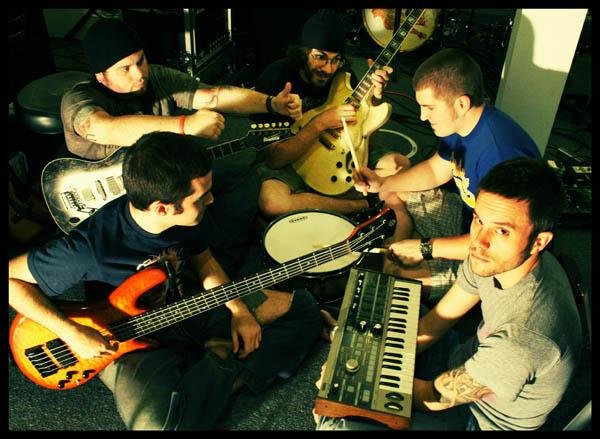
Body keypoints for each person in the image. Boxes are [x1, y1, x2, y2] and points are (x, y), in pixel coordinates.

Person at [8, 131, 323, 430]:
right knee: (160, 426)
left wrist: (238, 310)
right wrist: (72, 332)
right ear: (162, 208)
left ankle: (205, 377)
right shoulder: (89, 248)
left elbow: (205, 261)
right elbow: (11, 279)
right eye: (201, 197)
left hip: (183, 306)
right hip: (125, 338)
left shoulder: (186, 219)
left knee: (305, 311)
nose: (211, 200)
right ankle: (219, 357)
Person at [316, 157, 582, 430]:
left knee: (337, 422)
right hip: (463, 358)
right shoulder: (495, 260)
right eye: (479, 220)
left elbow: (431, 397)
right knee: (382, 307)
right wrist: (362, 345)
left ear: (539, 241)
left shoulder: (524, 339)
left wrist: (351, 375)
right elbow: (436, 322)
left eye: (502, 231)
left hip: (478, 419)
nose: (478, 242)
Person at [59, 18, 302, 281]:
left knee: (240, 177)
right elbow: (104, 128)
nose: (139, 73)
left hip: (160, 186)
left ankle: (220, 263)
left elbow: (214, 95)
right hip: (109, 204)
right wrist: (185, 125)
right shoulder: (78, 99)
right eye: (125, 68)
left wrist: (270, 103)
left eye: (140, 61)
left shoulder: (156, 78)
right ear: (100, 76)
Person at [354, 48, 541, 306]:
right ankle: (405, 228)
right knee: (391, 179)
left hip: (493, 253)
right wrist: (382, 183)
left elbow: (496, 242)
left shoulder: (500, 154)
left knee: (398, 276)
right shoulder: (461, 124)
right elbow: (435, 170)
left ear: (461, 103)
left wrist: (425, 248)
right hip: (467, 219)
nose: (422, 116)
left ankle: (409, 241)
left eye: (429, 107)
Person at [253, 9, 395, 218]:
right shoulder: (274, 78)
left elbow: (366, 136)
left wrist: (374, 98)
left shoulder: (343, 76)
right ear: (302, 52)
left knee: (398, 166)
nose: (329, 69)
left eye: (336, 59)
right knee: (272, 202)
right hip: (290, 160)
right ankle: (360, 205)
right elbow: (275, 159)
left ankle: (314, 201)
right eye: (320, 57)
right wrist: (320, 123)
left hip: (340, 152)